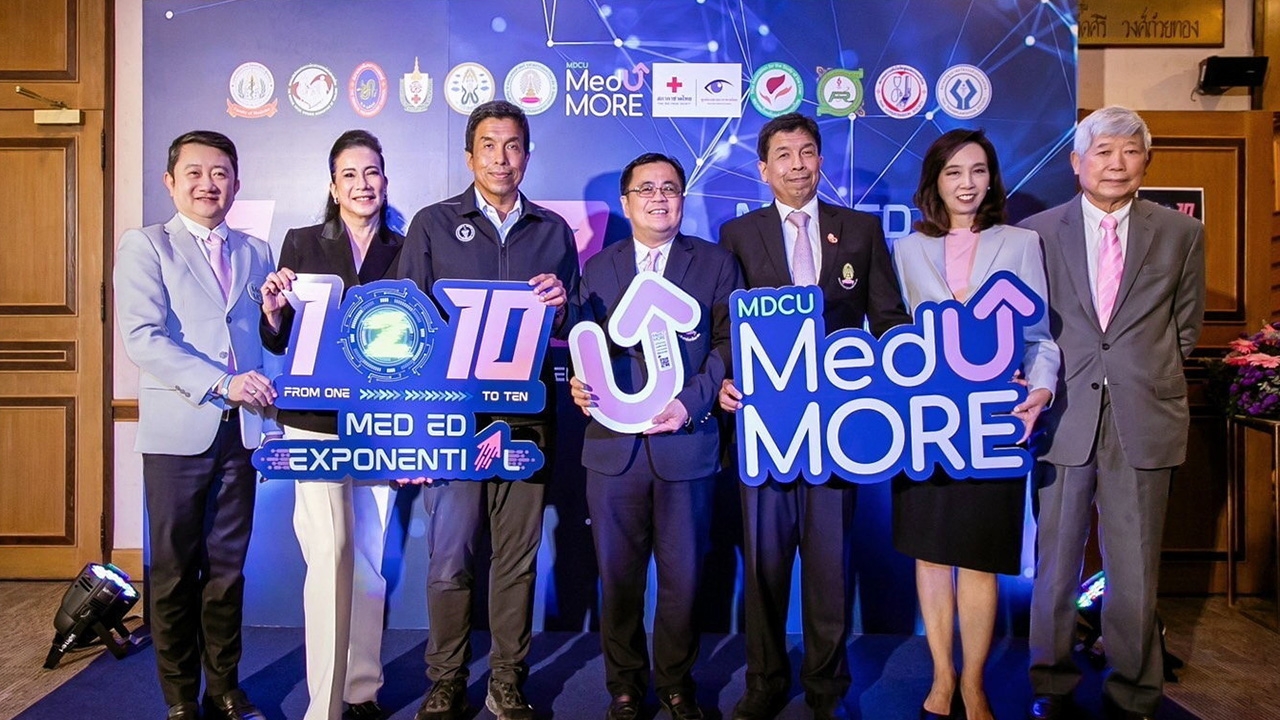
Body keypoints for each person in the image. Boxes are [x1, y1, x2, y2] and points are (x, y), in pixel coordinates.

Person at [717, 113, 911, 720]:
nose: (797, 165)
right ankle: (764, 681)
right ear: (763, 168)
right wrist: (724, 378)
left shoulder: (861, 229)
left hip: (835, 430)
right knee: (766, 565)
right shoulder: (737, 234)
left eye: (807, 152)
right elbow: (725, 325)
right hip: (765, 426)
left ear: (822, 160)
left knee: (829, 566)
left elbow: (889, 318)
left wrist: (888, 382)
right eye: (783, 154)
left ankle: (827, 687)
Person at [1019, 106, 1205, 720]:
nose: (1117, 164)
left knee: (1135, 565)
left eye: (1130, 151)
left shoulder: (1181, 233)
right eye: (1103, 151)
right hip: (1063, 413)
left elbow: (1185, 327)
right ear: (1077, 163)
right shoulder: (1037, 233)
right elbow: (1030, 326)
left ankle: (1134, 690)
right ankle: (1051, 682)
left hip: (1144, 416)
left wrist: (1143, 374)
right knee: (1055, 562)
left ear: (1146, 161)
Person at [398, 100, 579, 720]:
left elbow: (571, 325)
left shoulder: (554, 231)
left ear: (527, 154)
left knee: (516, 559)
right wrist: (415, 425)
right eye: (489, 145)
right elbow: (408, 324)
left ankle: (507, 681)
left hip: (527, 420)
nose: (502, 158)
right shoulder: (433, 223)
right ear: (469, 155)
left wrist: (562, 306)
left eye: (513, 146)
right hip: (451, 420)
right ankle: (446, 680)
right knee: (450, 557)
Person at [890, 129, 1059, 720]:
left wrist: (1040, 388)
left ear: (992, 179)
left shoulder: (1021, 242)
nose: (967, 183)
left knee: (981, 559)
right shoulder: (907, 249)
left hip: (993, 425)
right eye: (954, 172)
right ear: (934, 182)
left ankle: (974, 683)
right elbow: (894, 336)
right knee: (932, 556)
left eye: (978, 170)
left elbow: (1039, 338)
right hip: (926, 424)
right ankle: (941, 676)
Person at [569, 153, 742, 720]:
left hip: (685, 445)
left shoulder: (715, 263)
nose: (659, 198)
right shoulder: (598, 267)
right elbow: (582, 344)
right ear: (626, 203)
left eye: (669, 188)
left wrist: (688, 403)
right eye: (646, 189)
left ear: (682, 199)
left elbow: (729, 344)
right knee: (617, 579)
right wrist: (578, 383)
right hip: (612, 450)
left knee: (683, 578)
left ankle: (675, 682)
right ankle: (623, 686)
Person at [115, 130, 274, 720]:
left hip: (242, 433)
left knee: (228, 570)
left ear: (236, 182)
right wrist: (220, 382)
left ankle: (225, 688)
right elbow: (142, 338)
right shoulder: (146, 245)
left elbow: (265, 340)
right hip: (179, 430)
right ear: (170, 181)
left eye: (220, 173)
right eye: (196, 173)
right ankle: (180, 698)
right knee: (174, 571)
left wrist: (275, 325)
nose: (209, 184)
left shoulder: (257, 250)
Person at [258, 130, 402, 720]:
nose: (362, 184)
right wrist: (272, 311)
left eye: (372, 173)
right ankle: (324, 705)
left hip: (384, 421)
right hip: (315, 419)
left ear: (385, 180)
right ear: (333, 186)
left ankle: (360, 689)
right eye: (350, 175)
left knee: (367, 557)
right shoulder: (301, 242)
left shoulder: (406, 247)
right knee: (330, 551)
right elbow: (278, 338)